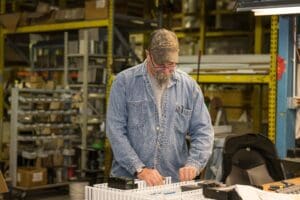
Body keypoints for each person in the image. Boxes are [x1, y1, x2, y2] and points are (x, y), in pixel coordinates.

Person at [106, 28, 214, 186]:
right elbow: (115, 131)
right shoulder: (124, 82)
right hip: (128, 182)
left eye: (171, 65)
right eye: (160, 65)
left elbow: (203, 131)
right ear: (148, 55)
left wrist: (194, 164)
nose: (166, 70)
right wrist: (140, 169)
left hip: (171, 182)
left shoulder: (189, 87)